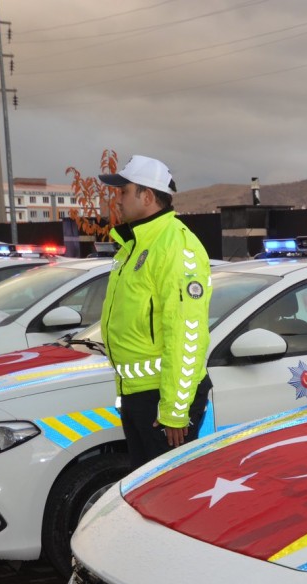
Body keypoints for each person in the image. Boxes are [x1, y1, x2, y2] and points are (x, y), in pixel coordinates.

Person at [97, 155, 212, 468]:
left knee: (169, 497)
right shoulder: (134, 244)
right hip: (137, 394)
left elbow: (187, 331)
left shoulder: (175, 245)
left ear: (146, 196)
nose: (116, 199)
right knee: (147, 491)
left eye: (124, 191)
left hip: (162, 400)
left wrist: (175, 410)